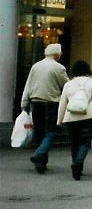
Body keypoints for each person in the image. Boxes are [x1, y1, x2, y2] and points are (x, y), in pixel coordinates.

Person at [20, 43, 69, 174]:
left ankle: (41, 163)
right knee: (52, 131)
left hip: (35, 103)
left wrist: (24, 104)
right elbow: (67, 86)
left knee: (40, 132)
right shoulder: (59, 68)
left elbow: (28, 85)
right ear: (56, 54)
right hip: (52, 103)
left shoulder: (35, 66)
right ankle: (39, 154)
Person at [57, 60, 92, 180]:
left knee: (74, 143)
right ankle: (78, 164)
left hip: (71, 117)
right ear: (87, 70)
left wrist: (60, 119)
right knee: (85, 142)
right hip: (88, 116)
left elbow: (62, 103)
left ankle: (76, 167)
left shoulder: (68, 84)